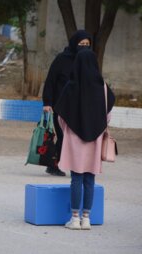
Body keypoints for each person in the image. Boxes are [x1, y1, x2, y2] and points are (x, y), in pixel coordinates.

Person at [54, 48, 115, 230]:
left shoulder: (71, 85)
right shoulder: (102, 87)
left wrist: (69, 130)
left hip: (74, 138)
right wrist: (97, 128)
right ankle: (87, 218)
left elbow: (61, 116)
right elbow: (108, 114)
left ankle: (74, 219)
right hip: (95, 140)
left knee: (76, 178)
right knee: (90, 179)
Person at [42, 30, 92, 176]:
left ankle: (73, 164)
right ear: (74, 44)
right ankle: (54, 164)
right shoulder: (61, 59)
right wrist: (47, 102)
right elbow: (50, 81)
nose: (84, 47)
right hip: (59, 106)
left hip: (78, 108)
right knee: (63, 136)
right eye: (81, 44)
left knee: (75, 138)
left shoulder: (87, 61)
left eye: (87, 45)